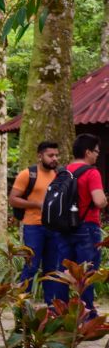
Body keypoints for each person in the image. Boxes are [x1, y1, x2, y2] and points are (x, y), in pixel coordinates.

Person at [53, 133, 107, 315]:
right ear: (87, 152)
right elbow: (99, 201)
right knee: (87, 272)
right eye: (96, 151)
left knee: (63, 272)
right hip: (87, 227)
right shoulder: (92, 172)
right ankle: (86, 313)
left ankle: (60, 311)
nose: (97, 155)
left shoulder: (63, 172)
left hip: (63, 227)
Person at [8, 141, 61, 303]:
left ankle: (51, 307)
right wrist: (37, 204)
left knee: (52, 270)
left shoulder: (58, 175)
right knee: (31, 266)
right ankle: (23, 306)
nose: (54, 159)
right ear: (40, 156)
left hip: (54, 227)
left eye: (56, 155)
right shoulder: (27, 174)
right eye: (50, 155)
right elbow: (13, 200)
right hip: (33, 227)